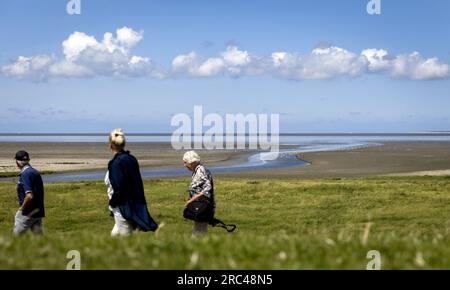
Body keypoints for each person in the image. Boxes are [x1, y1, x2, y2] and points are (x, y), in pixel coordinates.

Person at [106, 128, 158, 236]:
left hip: (123, 204)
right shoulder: (131, 159)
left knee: (126, 235)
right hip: (134, 201)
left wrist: (113, 203)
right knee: (114, 235)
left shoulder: (115, 163)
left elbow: (120, 187)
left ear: (111, 145)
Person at [183, 151, 215, 235]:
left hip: (203, 206)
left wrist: (191, 200)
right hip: (201, 206)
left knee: (198, 231)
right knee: (200, 230)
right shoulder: (197, 170)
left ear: (192, 162)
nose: (185, 165)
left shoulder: (200, 171)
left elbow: (208, 188)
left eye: (186, 163)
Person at [13, 150, 45, 236]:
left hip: (27, 213)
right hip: (38, 211)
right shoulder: (35, 172)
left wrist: (21, 209)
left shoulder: (25, 174)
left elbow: (29, 196)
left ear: (17, 162)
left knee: (16, 240)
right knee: (39, 241)